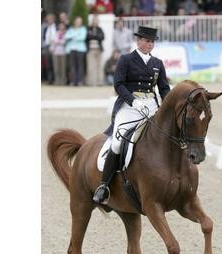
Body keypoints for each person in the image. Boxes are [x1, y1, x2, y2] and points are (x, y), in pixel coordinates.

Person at [93, 26, 170, 204]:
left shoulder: (157, 63)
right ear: (138, 41)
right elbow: (118, 84)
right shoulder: (126, 59)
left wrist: (168, 104)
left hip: (151, 105)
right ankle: (104, 186)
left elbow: (164, 88)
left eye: (152, 42)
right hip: (129, 106)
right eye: (147, 41)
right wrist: (133, 101)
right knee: (119, 142)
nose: (150, 44)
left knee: (165, 136)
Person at [66, 16, 87, 86]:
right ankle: (73, 81)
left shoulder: (83, 29)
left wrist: (72, 37)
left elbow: (82, 38)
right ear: (75, 22)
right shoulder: (70, 29)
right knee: (72, 66)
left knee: (80, 66)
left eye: (80, 21)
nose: (78, 22)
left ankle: (80, 81)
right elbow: (66, 37)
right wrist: (75, 36)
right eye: (77, 21)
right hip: (72, 49)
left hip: (80, 49)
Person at [86, 15, 105, 86]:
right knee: (91, 66)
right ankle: (91, 82)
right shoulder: (88, 28)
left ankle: (100, 82)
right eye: (94, 20)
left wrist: (93, 36)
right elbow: (87, 37)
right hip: (90, 50)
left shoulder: (100, 29)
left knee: (99, 66)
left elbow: (102, 37)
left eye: (97, 20)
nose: (95, 21)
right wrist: (96, 36)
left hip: (99, 50)